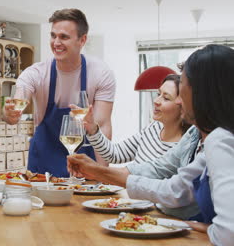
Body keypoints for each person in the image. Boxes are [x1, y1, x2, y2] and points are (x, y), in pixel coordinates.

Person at [67, 44, 234, 245]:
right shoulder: (198, 136)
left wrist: (214, 229)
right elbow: (176, 188)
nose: (180, 101)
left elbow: (228, 234)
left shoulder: (220, 140)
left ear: (202, 93)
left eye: (182, 90)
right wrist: (97, 169)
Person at [3, 8, 116, 177]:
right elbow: (20, 97)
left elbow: (103, 124)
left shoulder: (101, 73)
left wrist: (103, 174)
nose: (56, 42)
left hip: (84, 161)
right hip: (43, 165)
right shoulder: (36, 73)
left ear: (82, 40)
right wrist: (10, 113)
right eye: (53, 35)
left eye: (64, 37)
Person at [85, 74, 190, 164]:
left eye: (166, 98)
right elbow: (115, 154)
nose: (156, 101)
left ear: (182, 107)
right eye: (158, 94)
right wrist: (93, 129)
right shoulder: (153, 128)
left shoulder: (186, 146)